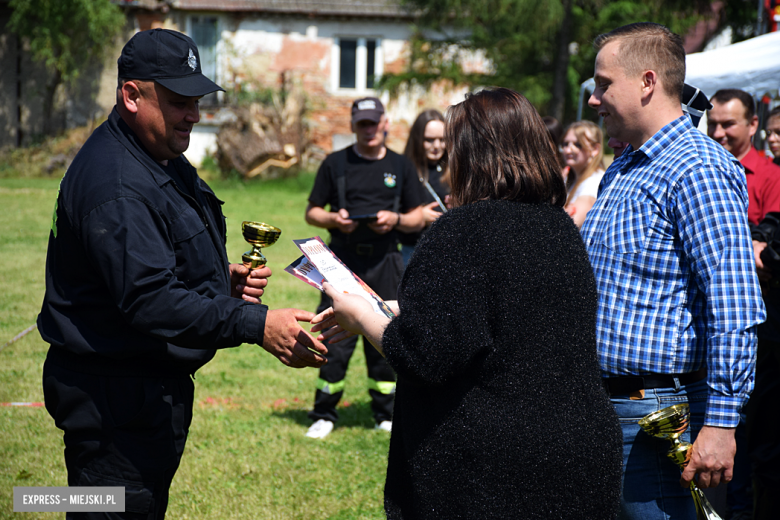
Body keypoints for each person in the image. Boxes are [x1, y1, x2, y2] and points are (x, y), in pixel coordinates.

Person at [38, 29, 328, 519]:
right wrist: (255, 324)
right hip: (113, 405)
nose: (194, 114)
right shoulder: (117, 182)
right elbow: (149, 298)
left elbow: (161, 253)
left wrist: (218, 280)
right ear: (132, 95)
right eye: (178, 101)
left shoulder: (157, 155)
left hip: (141, 397)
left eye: (196, 100)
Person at [312, 87, 623, 519]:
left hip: (494, 474)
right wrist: (401, 308)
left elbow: (424, 353)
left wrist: (361, 315)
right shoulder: (558, 228)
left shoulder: (463, 230)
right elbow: (506, 317)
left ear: (473, 154)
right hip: (576, 458)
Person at [583, 23, 765, 519]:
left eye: (603, 84)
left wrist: (721, 425)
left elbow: (734, 303)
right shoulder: (625, 166)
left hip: (662, 415)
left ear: (646, 81)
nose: (595, 99)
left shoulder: (696, 168)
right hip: (610, 408)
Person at [303, 97, 424, 439]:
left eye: (374, 123)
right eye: (362, 124)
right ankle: (324, 412)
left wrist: (396, 219)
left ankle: (384, 413)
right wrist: (333, 219)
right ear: (353, 125)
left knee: (385, 333)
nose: (369, 130)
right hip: (341, 261)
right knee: (333, 336)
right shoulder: (335, 163)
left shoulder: (401, 166)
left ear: (384, 123)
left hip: (386, 260)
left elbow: (416, 217)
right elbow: (312, 212)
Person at [708, 89, 780, 520]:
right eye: (713, 124)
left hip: (764, 323)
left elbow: (765, 250)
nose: (718, 132)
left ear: (751, 125)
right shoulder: (709, 168)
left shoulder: (769, 176)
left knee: (760, 439)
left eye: (728, 124)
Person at [398, 109, 450, 265]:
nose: (437, 146)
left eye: (442, 139)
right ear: (417, 139)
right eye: (429, 140)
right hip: (414, 250)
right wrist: (417, 216)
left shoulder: (454, 170)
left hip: (450, 250)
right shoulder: (404, 169)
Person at [561, 120, 605, 228]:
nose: (568, 150)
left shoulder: (594, 182)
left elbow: (566, 227)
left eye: (577, 144)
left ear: (595, 149)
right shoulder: (571, 178)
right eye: (565, 144)